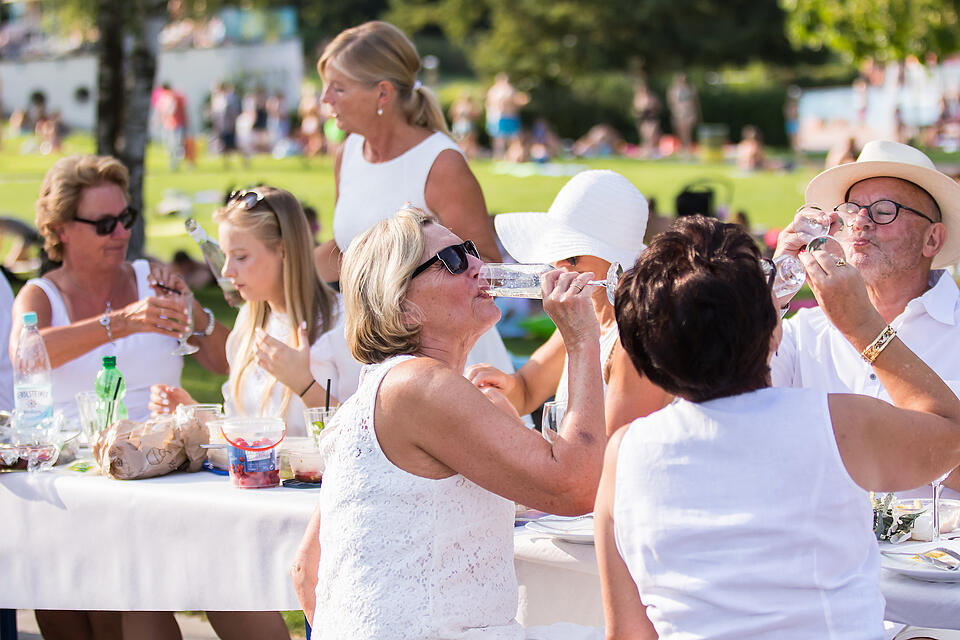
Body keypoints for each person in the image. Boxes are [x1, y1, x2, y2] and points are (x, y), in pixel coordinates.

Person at [595, 215, 960, 639]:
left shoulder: (624, 454)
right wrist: (863, 326)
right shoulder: (837, 424)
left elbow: (626, 634)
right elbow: (952, 432)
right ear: (773, 334)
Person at [290, 207, 606, 639]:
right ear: (402, 307)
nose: (480, 266)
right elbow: (574, 485)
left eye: (471, 250)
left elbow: (307, 570)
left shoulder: (380, 394)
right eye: (454, 260)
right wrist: (584, 340)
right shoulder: (418, 386)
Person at [9, 154, 228, 640]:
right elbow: (27, 353)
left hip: (158, 475)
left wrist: (196, 318)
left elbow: (226, 362)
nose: (120, 233)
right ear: (62, 229)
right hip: (72, 479)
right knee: (65, 611)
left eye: (125, 219)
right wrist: (121, 322)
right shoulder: (41, 296)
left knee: (120, 611)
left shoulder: (155, 278)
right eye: (104, 223)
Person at [313, 20, 513, 374]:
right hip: (378, 351)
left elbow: (488, 270)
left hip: (449, 360)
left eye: (338, 88)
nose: (325, 99)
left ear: (383, 93)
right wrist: (281, 267)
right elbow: (351, 248)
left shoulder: (441, 162)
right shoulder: (347, 153)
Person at [773, 140, 960, 503]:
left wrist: (862, 327)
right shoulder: (804, 330)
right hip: (827, 554)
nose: (860, 222)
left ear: (932, 238)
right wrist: (774, 291)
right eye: (851, 210)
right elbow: (728, 409)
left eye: (884, 210)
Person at [467, 171, 672, 434]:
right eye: (556, 251)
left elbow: (610, 457)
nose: (559, 265)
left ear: (617, 263)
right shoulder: (587, 315)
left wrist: (517, 434)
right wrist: (502, 385)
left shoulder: (634, 341)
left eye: (573, 256)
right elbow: (527, 389)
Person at [151, 186, 363, 436]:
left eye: (240, 257)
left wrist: (304, 385)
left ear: (284, 251)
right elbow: (246, 432)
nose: (226, 272)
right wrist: (195, 413)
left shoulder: (345, 323)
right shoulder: (249, 321)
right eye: (225, 256)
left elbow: (362, 437)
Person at [485, 72, 528, 160]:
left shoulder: (509, 89)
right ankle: (500, 156)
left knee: (511, 138)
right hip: (500, 116)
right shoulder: (496, 91)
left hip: (509, 116)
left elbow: (517, 102)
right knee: (500, 138)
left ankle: (510, 156)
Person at [667, 73, 699, 155]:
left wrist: (695, 114)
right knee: (680, 132)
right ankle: (683, 148)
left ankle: (687, 148)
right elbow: (671, 103)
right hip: (678, 114)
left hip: (689, 113)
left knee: (687, 132)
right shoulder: (673, 90)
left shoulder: (690, 89)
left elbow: (695, 103)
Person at [632, 78, 661, 157]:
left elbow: (658, 106)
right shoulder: (638, 97)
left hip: (652, 118)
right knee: (645, 137)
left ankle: (651, 152)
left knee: (651, 135)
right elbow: (636, 109)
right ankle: (645, 153)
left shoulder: (652, 97)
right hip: (643, 119)